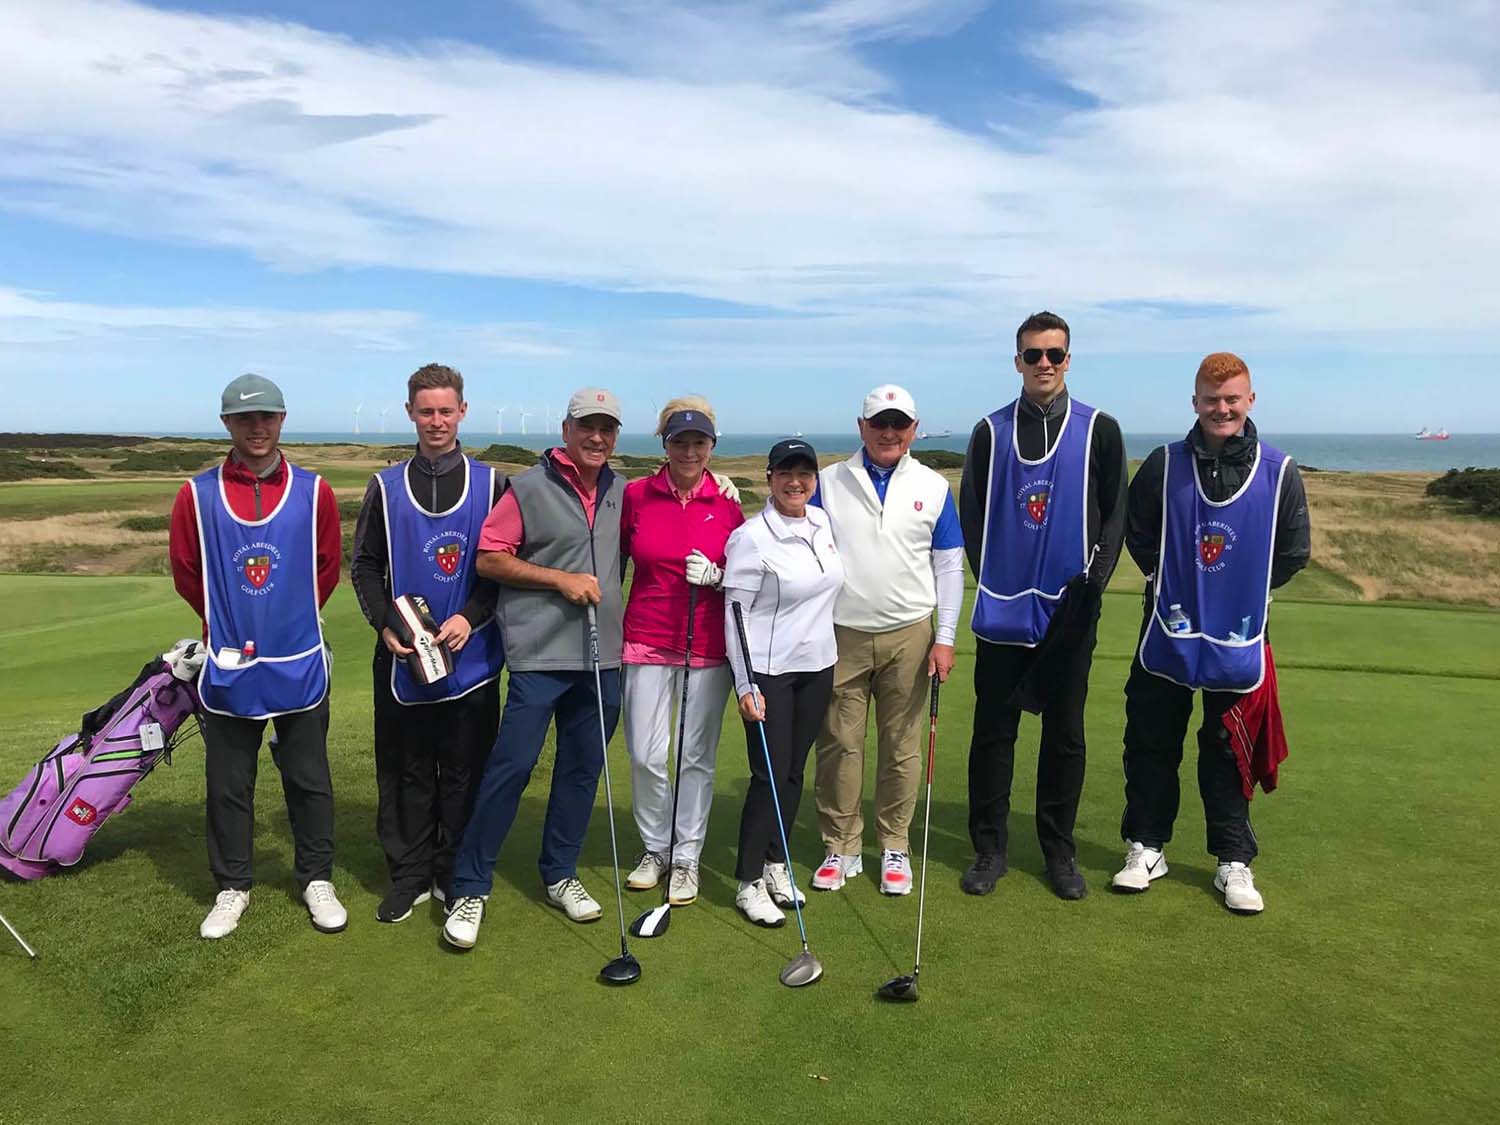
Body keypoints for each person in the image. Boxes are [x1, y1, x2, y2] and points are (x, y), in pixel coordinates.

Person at [1113, 352, 1309, 914]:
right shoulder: (1165, 463)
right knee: (1150, 741)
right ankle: (1146, 847)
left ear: (1250, 400)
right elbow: (1139, 529)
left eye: (1231, 399)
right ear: (1195, 402)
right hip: (1166, 635)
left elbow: (1293, 549)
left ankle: (1232, 860)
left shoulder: (1279, 470)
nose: (1221, 409)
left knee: (1228, 749)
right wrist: (1166, 582)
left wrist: (1243, 593)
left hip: (1240, 640)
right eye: (1210, 399)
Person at [442, 388, 627, 950]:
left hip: (604, 658)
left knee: (580, 771)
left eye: (607, 429)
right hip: (540, 656)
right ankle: (469, 886)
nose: (597, 438)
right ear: (566, 430)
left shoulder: (623, 491)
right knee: (512, 768)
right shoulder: (526, 488)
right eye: (586, 427)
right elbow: (490, 557)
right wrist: (559, 579)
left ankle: (560, 874)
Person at [167, 374, 346, 939]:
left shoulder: (313, 490)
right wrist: (232, 622)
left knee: (309, 776)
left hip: (299, 658)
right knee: (227, 782)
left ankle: (316, 877)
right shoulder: (195, 494)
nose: (257, 427)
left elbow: (327, 568)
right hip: (228, 662)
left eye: (267, 416)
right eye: (245, 419)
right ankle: (232, 886)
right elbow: (187, 573)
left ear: (283, 419)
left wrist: (285, 620)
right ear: (227, 425)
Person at [958, 311, 1128, 900]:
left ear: (1069, 359)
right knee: (993, 732)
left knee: (1065, 735)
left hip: (1069, 613)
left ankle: (1059, 852)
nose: (1045, 364)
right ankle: (989, 848)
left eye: (1055, 354)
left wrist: (1092, 588)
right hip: (1004, 612)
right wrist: (995, 580)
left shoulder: (1099, 429)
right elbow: (973, 515)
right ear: (1018, 362)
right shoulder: (990, 430)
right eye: (1034, 355)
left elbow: (1115, 513)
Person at [350, 364, 506, 924]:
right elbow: (364, 567)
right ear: (410, 412)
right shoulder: (384, 487)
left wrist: (470, 614)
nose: (436, 421)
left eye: (446, 410)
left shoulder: (492, 483)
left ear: (463, 411)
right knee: (407, 769)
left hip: (474, 658)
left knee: (466, 768)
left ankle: (454, 871)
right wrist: (383, 625)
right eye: (426, 411)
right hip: (402, 660)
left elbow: (501, 566)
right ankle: (410, 875)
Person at [809, 385, 964, 895]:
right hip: (840, 632)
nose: (889, 432)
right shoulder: (828, 482)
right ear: (862, 426)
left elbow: (948, 566)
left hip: (910, 634)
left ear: (914, 430)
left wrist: (945, 638)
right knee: (839, 745)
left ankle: (894, 844)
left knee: (901, 747)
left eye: (899, 423)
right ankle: (841, 845)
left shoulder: (934, 487)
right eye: (879, 422)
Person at [619, 397, 745, 907]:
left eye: (699, 441)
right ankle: (656, 849)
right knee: (646, 755)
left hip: (707, 646)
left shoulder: (729, 505)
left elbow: (748, 577)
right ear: (664, 445)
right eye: (679, 441)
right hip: (646, 638)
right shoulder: (636, 496)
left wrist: (718, 577)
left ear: (712, 446)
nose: (689, 450)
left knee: (696, 757)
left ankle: (687, 856)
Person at [723, 439, 845, 928]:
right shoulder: (752, 538)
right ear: (770, 478)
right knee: (767, 774)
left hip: (818, 665)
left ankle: (777, 862)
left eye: (805, 473)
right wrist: (745, 684)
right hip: (770, 671)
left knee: (794, 770)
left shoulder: (821, 524)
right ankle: (748, 881)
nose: (797, 482)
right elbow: (734, 615)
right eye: (786, 473)